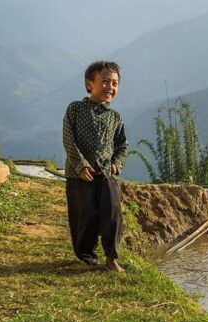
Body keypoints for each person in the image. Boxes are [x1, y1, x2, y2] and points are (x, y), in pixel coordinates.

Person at [62, 61, 128, 272]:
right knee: (85, 215)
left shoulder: (115, 117)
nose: (110, 87)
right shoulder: (76, 109)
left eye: (115, 83)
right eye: (105, 82)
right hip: (79, 175)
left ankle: (111, 257)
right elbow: (69, 140)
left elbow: (122, 145)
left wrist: (117, 164)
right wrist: (81, 165)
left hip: (106, 174)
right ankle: (87, 257)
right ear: (90, 84)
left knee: (113, 212)